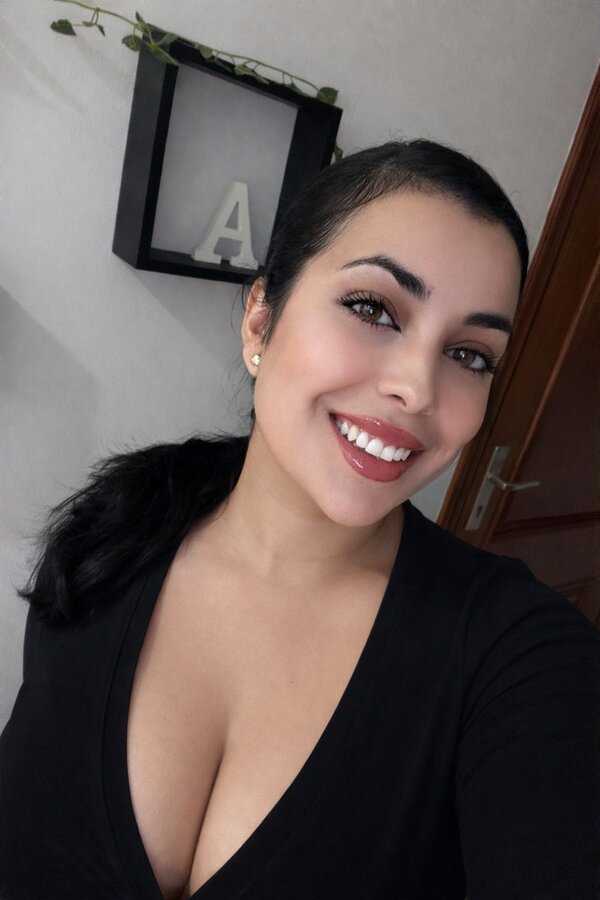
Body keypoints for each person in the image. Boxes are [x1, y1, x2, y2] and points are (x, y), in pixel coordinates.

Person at [0, 141, 598, 900]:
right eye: (373, 309)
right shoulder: (111, 535)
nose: (417, 388)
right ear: (260, 320)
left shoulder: (520, 653)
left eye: (470, 355)